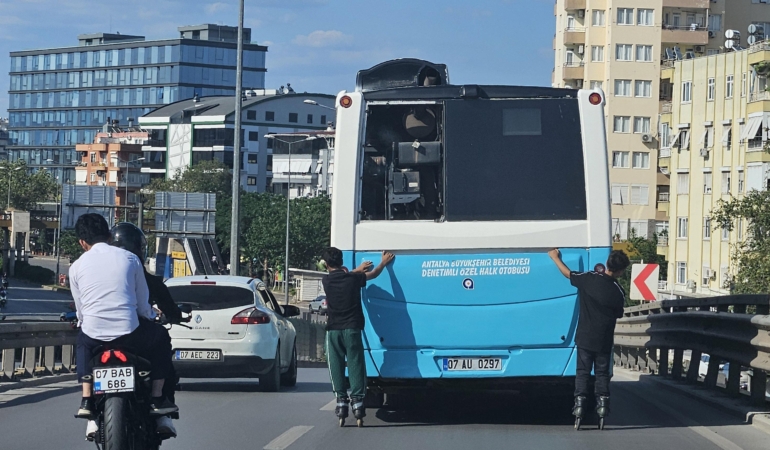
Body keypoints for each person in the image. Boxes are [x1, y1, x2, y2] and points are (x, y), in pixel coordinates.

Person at [70, 214, 178, 439]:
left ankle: (87, 398)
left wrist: (85, 323)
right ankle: (158, 397)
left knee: (82, 341)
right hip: (130, 335)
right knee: (161, 338)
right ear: (109, 236)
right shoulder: (130, 259)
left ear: (82, 242)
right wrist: (150, 315)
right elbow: (141, 303)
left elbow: (81, 310)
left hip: (94, 336)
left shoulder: (76, 266)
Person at [110, 222, 183, 437]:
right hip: (136, 334)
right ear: (139, 249)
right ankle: (160, 406)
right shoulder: (145, 278)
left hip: (100, 335)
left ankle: (88, 404)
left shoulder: (95, 270)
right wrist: (169, 315)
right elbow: (151, 308)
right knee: (163, 345)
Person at [548, 248, 629, 422]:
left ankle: (579, 404)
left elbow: (568, 274)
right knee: (601, 374)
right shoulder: (618, 291)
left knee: (583, 372)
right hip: (604, 341)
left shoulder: (589, 279)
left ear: (607, 263)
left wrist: (555, 258)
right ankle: (602, 404)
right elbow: (619, 313)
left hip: (584, 338)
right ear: (621, 271)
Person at [321, 247, 395, 425]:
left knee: (336, 365)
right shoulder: (354, 279)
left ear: (326, 265)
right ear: (342, 261)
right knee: (356, 364)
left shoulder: (326, 281)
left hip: (333, 331)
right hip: (352, 329)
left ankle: (340, 401)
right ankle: (358, 403)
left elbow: (341, 275)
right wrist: (383, 262)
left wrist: (357, 269)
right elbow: (374, 274)